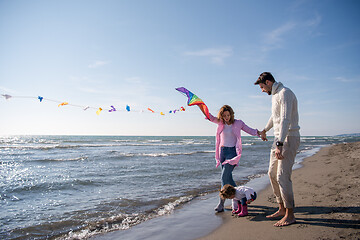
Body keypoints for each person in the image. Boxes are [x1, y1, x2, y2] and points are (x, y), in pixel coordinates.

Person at [254, 72, 300, 227]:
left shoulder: (285, 93)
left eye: (261, 87)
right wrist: (265, 130)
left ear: (268, 82)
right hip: (278, 139)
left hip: (288, 138)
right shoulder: (275, 95)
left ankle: (290, 214)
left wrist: (280, 144)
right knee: (272, 173)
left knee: (282, 176)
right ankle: (281, 208)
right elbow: (275, 117)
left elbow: (286, 119)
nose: (261, 90)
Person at [205, 105, 261, 212]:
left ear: (231, 114)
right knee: (228, 179)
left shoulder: (238, 123)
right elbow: (210, 117)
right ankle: (241, 197)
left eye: (228, 115)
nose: (226, 117)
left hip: (232, 153)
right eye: (224, 115)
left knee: (224, 177)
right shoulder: (220, 122)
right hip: (222, 152)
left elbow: (249, 130)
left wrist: (260, 133)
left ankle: (221, 203)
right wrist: (200, 105)